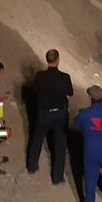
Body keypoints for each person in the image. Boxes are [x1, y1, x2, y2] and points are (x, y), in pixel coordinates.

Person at [26, 49, 74, 183]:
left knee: (37, 139)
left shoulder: (39, 76)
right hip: (60, 114)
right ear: (58, 60)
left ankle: (32, 166)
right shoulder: (65, 77)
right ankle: (57, 177)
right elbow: (70, 93)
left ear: (47, 60)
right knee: (60, 145)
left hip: (44, 113)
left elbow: (36, 90)